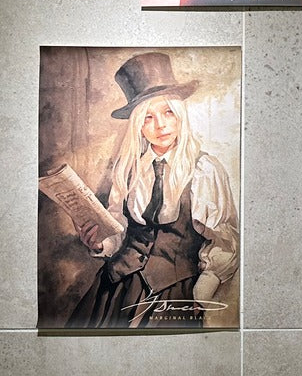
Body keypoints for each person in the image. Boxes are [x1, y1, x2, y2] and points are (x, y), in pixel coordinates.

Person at [72, 52, 239, 328]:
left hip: (175, 291)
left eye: (168, 112)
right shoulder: (128, 170)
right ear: (138, 126)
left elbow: (224, 240)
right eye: (148, 117)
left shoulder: (205, 170)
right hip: (117, 287)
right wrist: (101, 243)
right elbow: (118, 229)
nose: (160, 125)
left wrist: (205, 287)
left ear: (180, 115)